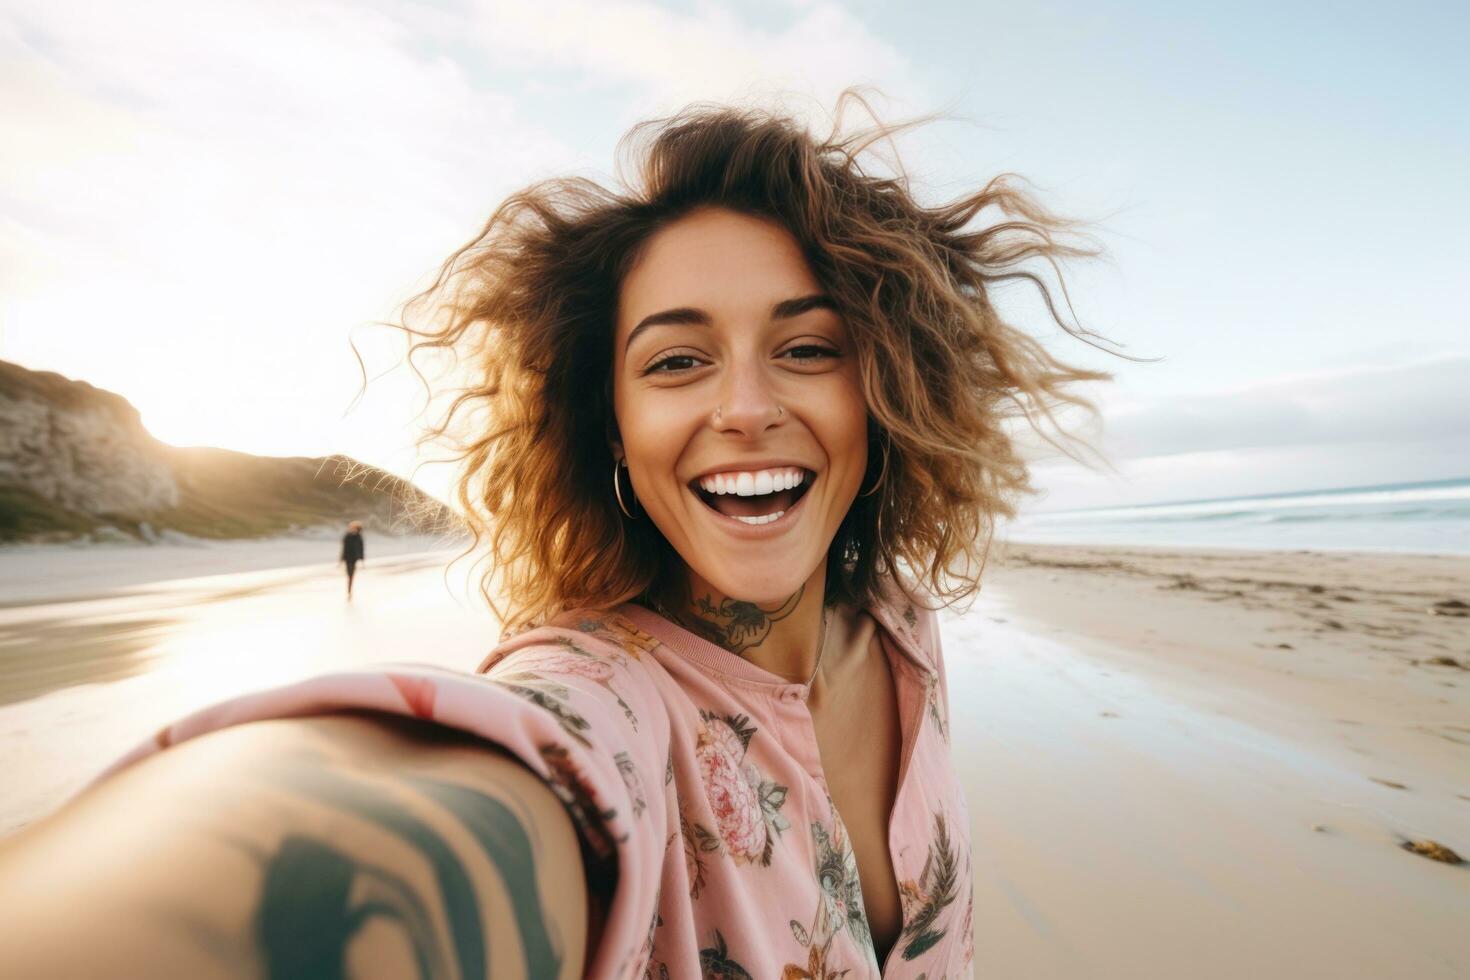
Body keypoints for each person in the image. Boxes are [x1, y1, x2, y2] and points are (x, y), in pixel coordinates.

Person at [0, 92, 1106, 977]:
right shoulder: (601, 695)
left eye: (808, 347)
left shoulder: (904, 631)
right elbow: (462, 790)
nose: (746, 405)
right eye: (677, 360)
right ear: (609, 427)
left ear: (887, 393)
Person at [341, 520, 366, 599]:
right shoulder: (347, 536)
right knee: (349, 575)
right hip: (347, 558)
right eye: (352, 527)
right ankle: (349, 589)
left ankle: (349, 591)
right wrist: (341, 558)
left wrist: (361, 559)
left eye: (354, 528)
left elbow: (361, 549)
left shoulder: (358, 537)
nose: (352, 529)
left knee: (351, 575)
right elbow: (344, 548)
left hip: (353, 559)